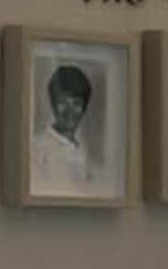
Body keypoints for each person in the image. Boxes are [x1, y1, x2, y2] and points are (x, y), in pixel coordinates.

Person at [31, 56, 109, 197]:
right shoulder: (37, 148)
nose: (70, 111)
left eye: (76, 104)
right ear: (53, 103)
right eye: (63, 102)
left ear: (84, 107)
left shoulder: (86, 152)